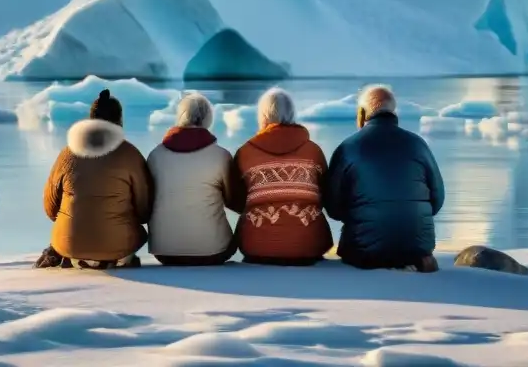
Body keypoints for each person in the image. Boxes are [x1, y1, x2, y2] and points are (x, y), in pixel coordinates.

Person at [324, 85, 445, 272]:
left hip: (363, 250)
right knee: (411, 249)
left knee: (361, 249)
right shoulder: (418, 145)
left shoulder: (347, 148)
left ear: (362, 114)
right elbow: (437, 200)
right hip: (418, 247)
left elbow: (333, 208)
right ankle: (412, 255)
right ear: (393, 112)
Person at [36, 89, 152, 269]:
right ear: (119, 121)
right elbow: (145, 210)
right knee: (134, 233)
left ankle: (71, 253)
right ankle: (118, 257)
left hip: (69, 243)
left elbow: (50, 208)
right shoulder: (130, 155)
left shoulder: (67, 154)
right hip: (118, 244)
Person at [231, 87, 333, 265]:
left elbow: (236, 200)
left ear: (262, 115)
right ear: (292, 113)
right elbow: (326, 196)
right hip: (308, 246)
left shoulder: (245, 152)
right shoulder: (313, 151)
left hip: (257, 246)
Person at [146, 93, 240, 266]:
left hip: (165, 252)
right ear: (208, 118)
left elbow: (146, 201)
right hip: (213, 252)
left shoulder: (156, 155)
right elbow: (234, 201)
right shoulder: (220, 156)